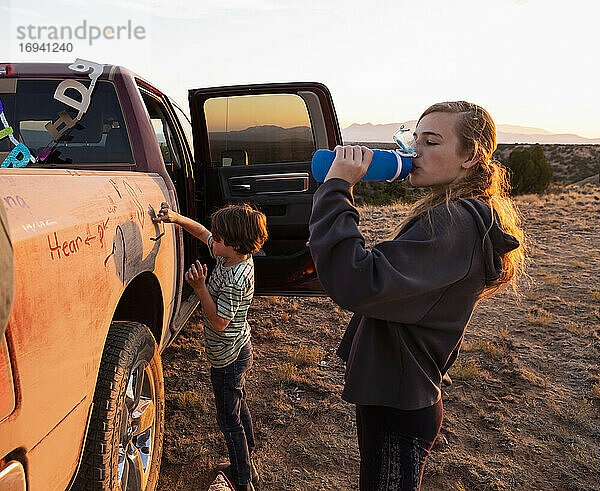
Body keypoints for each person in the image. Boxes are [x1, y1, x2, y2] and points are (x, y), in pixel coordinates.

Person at [308, 101, 526, 490]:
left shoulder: (455, 223)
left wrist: (337, 188)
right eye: (414, 139)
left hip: (400, 403)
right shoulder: (459, 215)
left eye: (431, 142)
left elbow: (359, 280)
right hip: (400, 392)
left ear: (470, 156)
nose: (414, 151)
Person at [155, 202, 268, 491]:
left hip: (229, 358)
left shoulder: (234, 277)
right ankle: (247, 465)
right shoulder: (232, 256)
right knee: (238, 408)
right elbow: (203, 232)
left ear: (231, 244)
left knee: (229, 421)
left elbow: (219, 322)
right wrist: (176, 218)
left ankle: (242, 480)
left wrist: (200, 287)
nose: (212, 240)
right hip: (237, 349)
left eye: (218, 238)